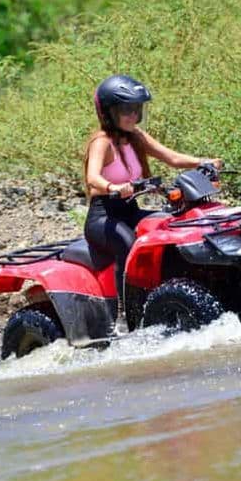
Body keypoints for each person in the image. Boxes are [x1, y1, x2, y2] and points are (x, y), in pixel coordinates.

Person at [83, 74, 221, 316]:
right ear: (108, 111)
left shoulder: (136, 137)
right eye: (126, 109)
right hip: (103, 218)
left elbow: (173, 158)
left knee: (168, 225)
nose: (133, 115)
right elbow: (92, 177)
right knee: (128, 243)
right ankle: (125, 315)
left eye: (137, 109)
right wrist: (113, 187)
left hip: (129, 210)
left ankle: (170, 293)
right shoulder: (101, 142)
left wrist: (204, 161)